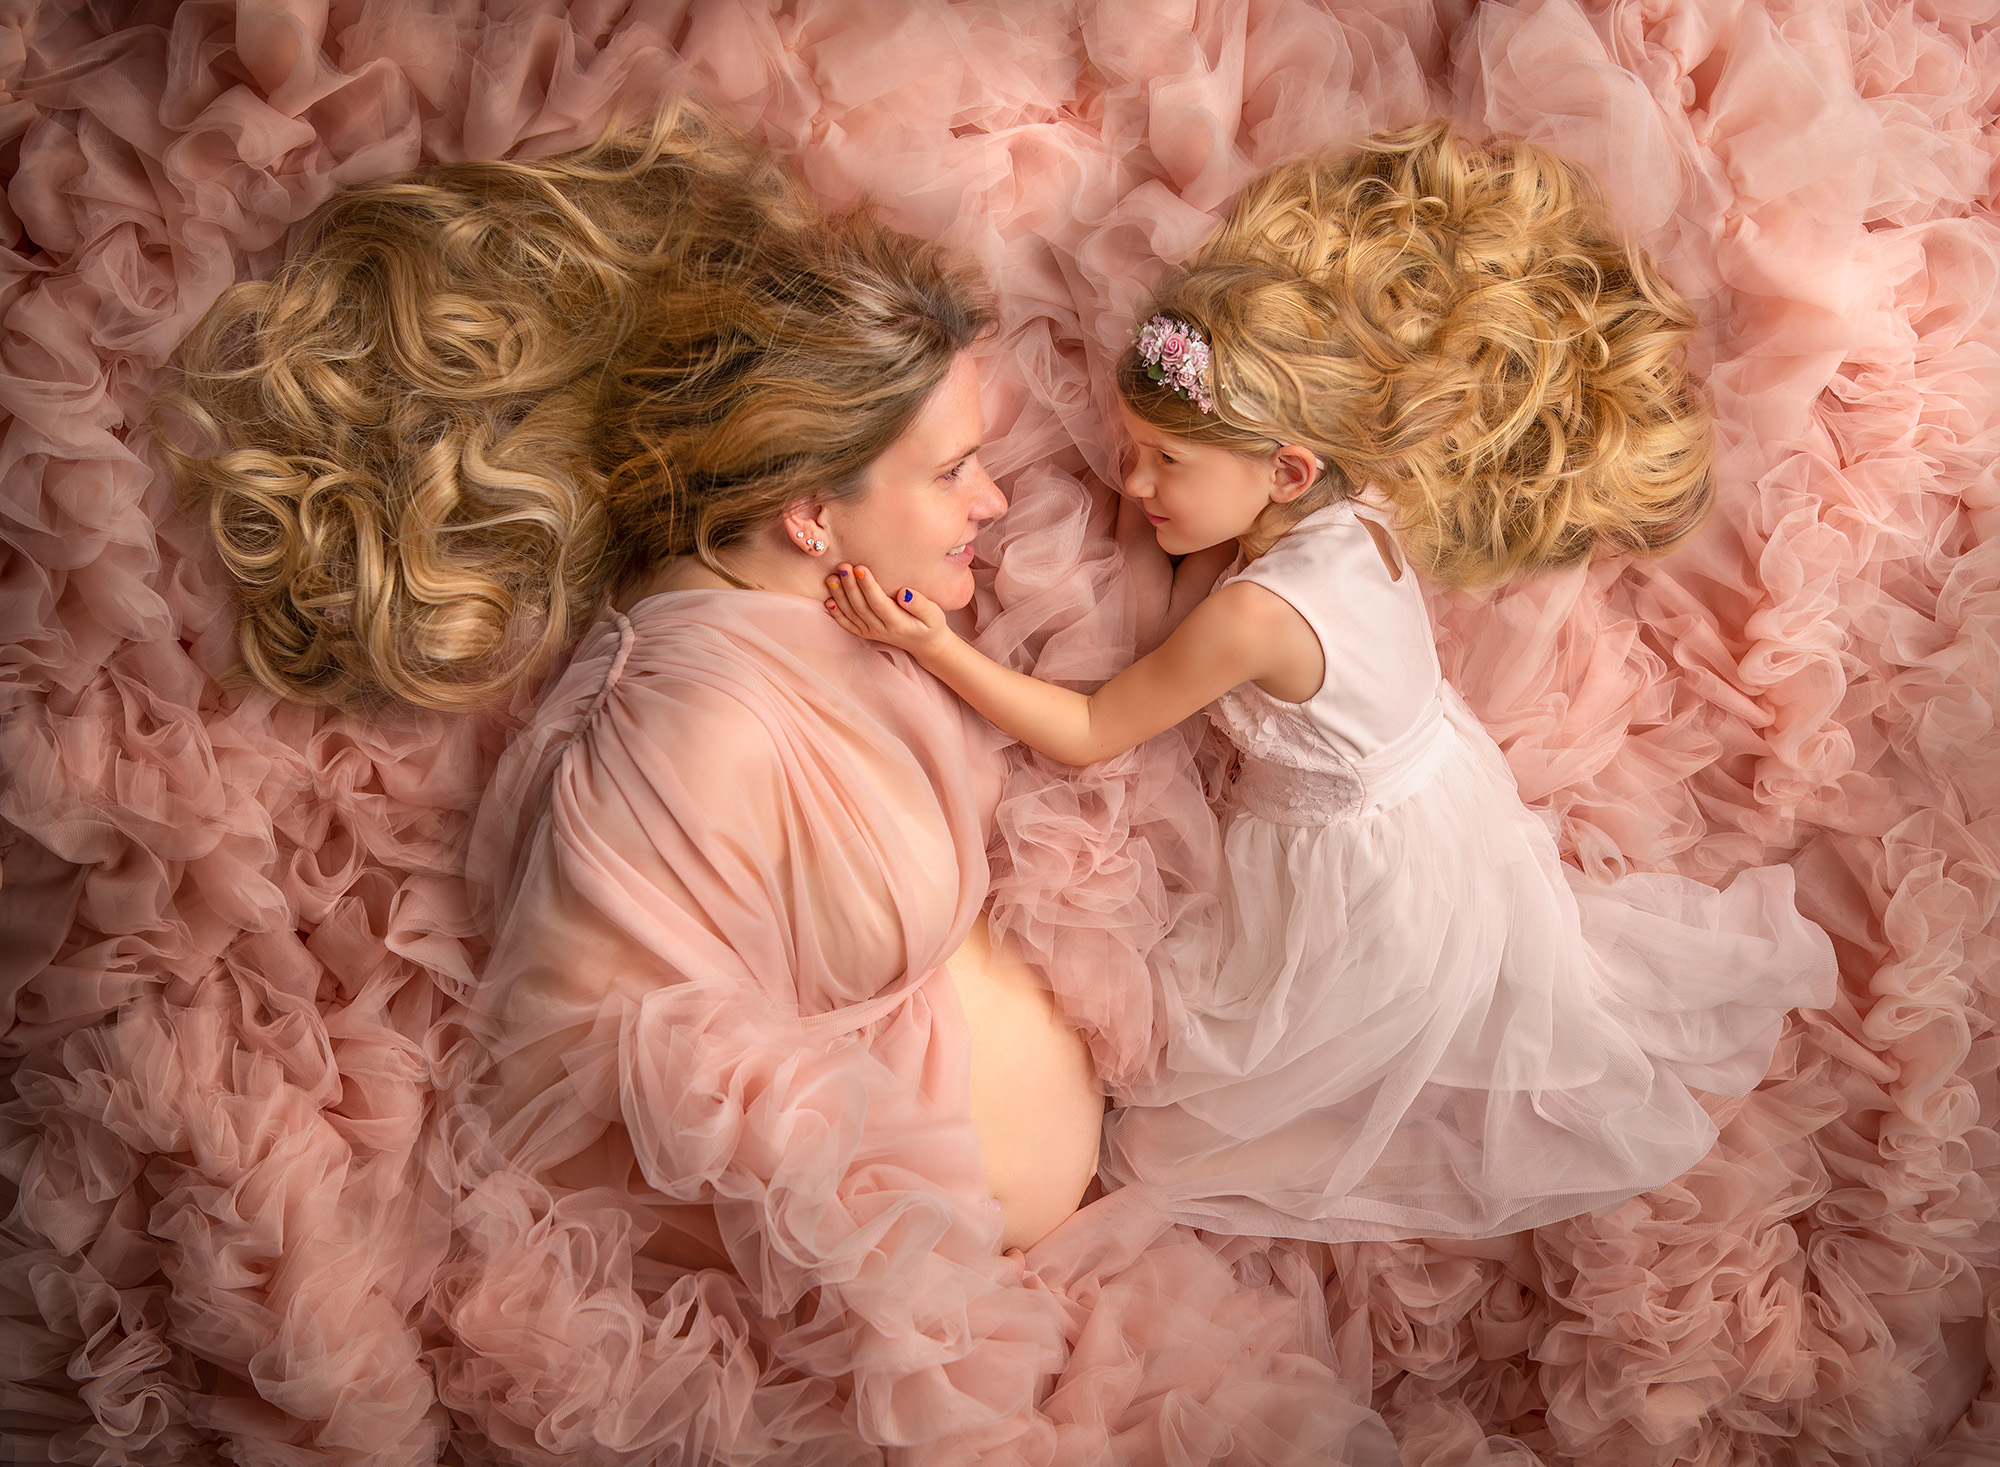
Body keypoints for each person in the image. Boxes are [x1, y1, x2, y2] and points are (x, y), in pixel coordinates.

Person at [167, 102, 1398, 1464]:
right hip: (932, 1341)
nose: (991, 502)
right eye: (951, 471)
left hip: (1067, 1256)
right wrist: (894, 1253)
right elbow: (578, 1084)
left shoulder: (837, 615)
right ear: (812, 511)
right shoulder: (689, 720)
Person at [826, 119, 1840, 1245]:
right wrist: (1155, 510)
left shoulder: (1258, 615)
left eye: (1167, 460)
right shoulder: (1343, 510)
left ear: (1283, 470)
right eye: (1131, 447)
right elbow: (1172, 614)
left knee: (1205, 1098)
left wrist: (935, 648)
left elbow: (1091, 727)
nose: (1132, 479)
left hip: (1350, 866)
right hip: (1442, 799)